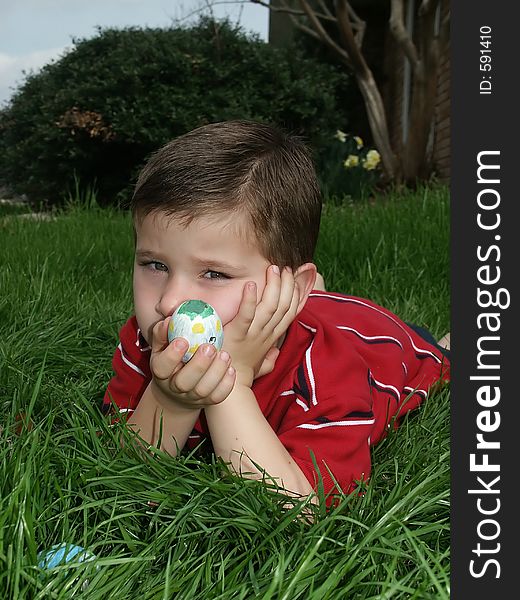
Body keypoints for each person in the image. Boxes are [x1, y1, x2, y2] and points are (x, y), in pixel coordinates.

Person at [102, 120, 450, 504]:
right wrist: (174, 400)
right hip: (309, 304)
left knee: (441, 352)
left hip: (378, 340)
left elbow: (296, 512)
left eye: (214, 273)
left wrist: (230, 388)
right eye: (155, 265)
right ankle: (308, 293)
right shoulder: (147, 339)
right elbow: (123, 479)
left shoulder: (326, 375)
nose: (169, 302)